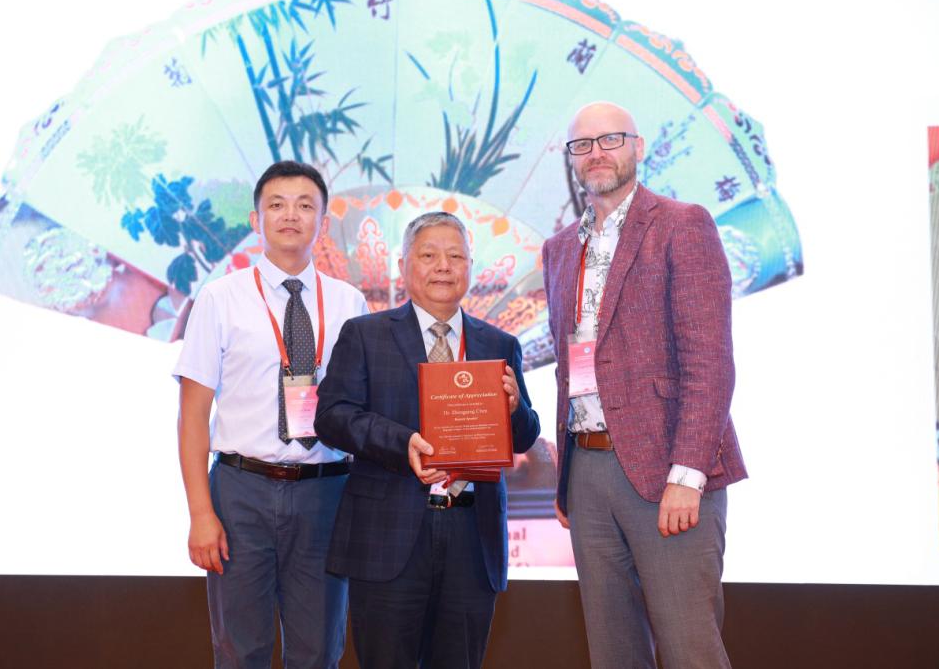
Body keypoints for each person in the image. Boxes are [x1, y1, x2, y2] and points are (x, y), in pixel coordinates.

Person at [541, 102, 748, 668]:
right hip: (587, 472)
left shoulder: (682, 224)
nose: (596, 153)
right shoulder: (559, 249)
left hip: (668, 471)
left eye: (610, 139)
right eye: (582, 145)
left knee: (688, 650)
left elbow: (709, 362)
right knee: (614, 653)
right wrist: (567, 480)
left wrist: (688, 474)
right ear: (571, 159)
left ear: (638, 146)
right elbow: (567, 366)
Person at [314, 211, 540, 669]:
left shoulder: (499, 343)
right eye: (429, 255)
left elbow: (523, 437)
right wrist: (403, 444)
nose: (443, 266)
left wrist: (516, 408)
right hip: (388, 534)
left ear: (470, 267)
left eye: (455, 256)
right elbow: (333, 417)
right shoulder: (365, 334)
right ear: (404, 266)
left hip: (471, 537)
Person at [173, 161, 368, 669]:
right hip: (241, 493)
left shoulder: (350, 303)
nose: (290, 215)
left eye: (305, 206)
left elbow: (364, 409)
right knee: (240, 651)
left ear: (323, 222)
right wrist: (200, 514)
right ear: (256, 219)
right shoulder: (219, 298)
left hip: (327, 492)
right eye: (277, 205)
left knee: (319, 651)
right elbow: (192, 416)